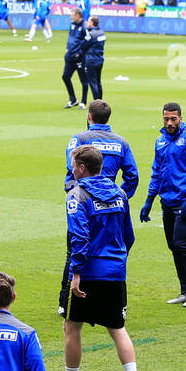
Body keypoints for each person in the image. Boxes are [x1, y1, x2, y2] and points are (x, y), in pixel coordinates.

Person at [56, 146, 141, 371]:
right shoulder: (120, 193)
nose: (71, 169)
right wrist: (118, 260)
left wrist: (77, 272)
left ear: (82, 168)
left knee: (72, 326)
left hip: (90, 270)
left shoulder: (77, 195)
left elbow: (80, 237)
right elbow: (129, 235)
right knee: (118, 328)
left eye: (73, 165)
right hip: (116, 270)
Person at [59, 100, 139, 312]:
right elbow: (132, 176)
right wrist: (119, 200)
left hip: (84, 203)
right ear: (108, 118)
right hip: (112, 205)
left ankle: (65, 301)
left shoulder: (80, 139)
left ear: (89, 117)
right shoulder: (121, 142)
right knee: (112, 246)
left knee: (76, 246)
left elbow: (72, 170)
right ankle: (113, 303)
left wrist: (74, 196)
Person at [140, 103, 186, 307]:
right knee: (173, 246)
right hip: (167, 201)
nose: (169, 123)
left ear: (180, 118)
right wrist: (149, 200)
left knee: (182, 244)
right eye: (166, 119)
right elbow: (156, 172)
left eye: (173, 119)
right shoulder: (160, 141)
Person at [61, 8, 87, 109]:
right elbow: (71, 38)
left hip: (79, 57)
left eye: (72, 15)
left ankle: (83, 102)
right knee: (65, 77)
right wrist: (68, 49)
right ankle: (73, 100)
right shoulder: (72, 25)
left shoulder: (85, 27)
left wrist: (80, 52)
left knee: (83, 80)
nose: (71, 17)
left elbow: (88, 40)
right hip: (69, 56)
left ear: (78, 15)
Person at [81, 16, 105, 104]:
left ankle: (96, 104)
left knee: (92, 82)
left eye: (88, 21)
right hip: (100, 58)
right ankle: (101, 101)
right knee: (98, 82)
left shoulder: (91, 34)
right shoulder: (102, 32)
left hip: (91, 59)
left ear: (92, 23)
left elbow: (83, 45)